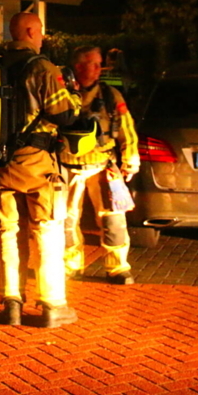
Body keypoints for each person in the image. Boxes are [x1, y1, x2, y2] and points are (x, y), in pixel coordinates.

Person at [0, 12, 82, 327]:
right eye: (41, 31)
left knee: (7, 231)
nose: (42, 37)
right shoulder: (42, 68)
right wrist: (76, 99)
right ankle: (52, 305)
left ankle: (11, 302)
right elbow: (65, 115)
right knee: (47, 230)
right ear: (30, 31)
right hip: (36, 161)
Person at [59, 46, 141, 285]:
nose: (98, 70)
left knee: (113, 220)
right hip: (67, 167)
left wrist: (130, 160)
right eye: (92, 64)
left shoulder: (110, 95)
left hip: (103, 165)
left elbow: (127, 129)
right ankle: (70, 266)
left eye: (99, 64)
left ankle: (118, 267)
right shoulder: (62, 95)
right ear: (77, 67)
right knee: (66, 220)